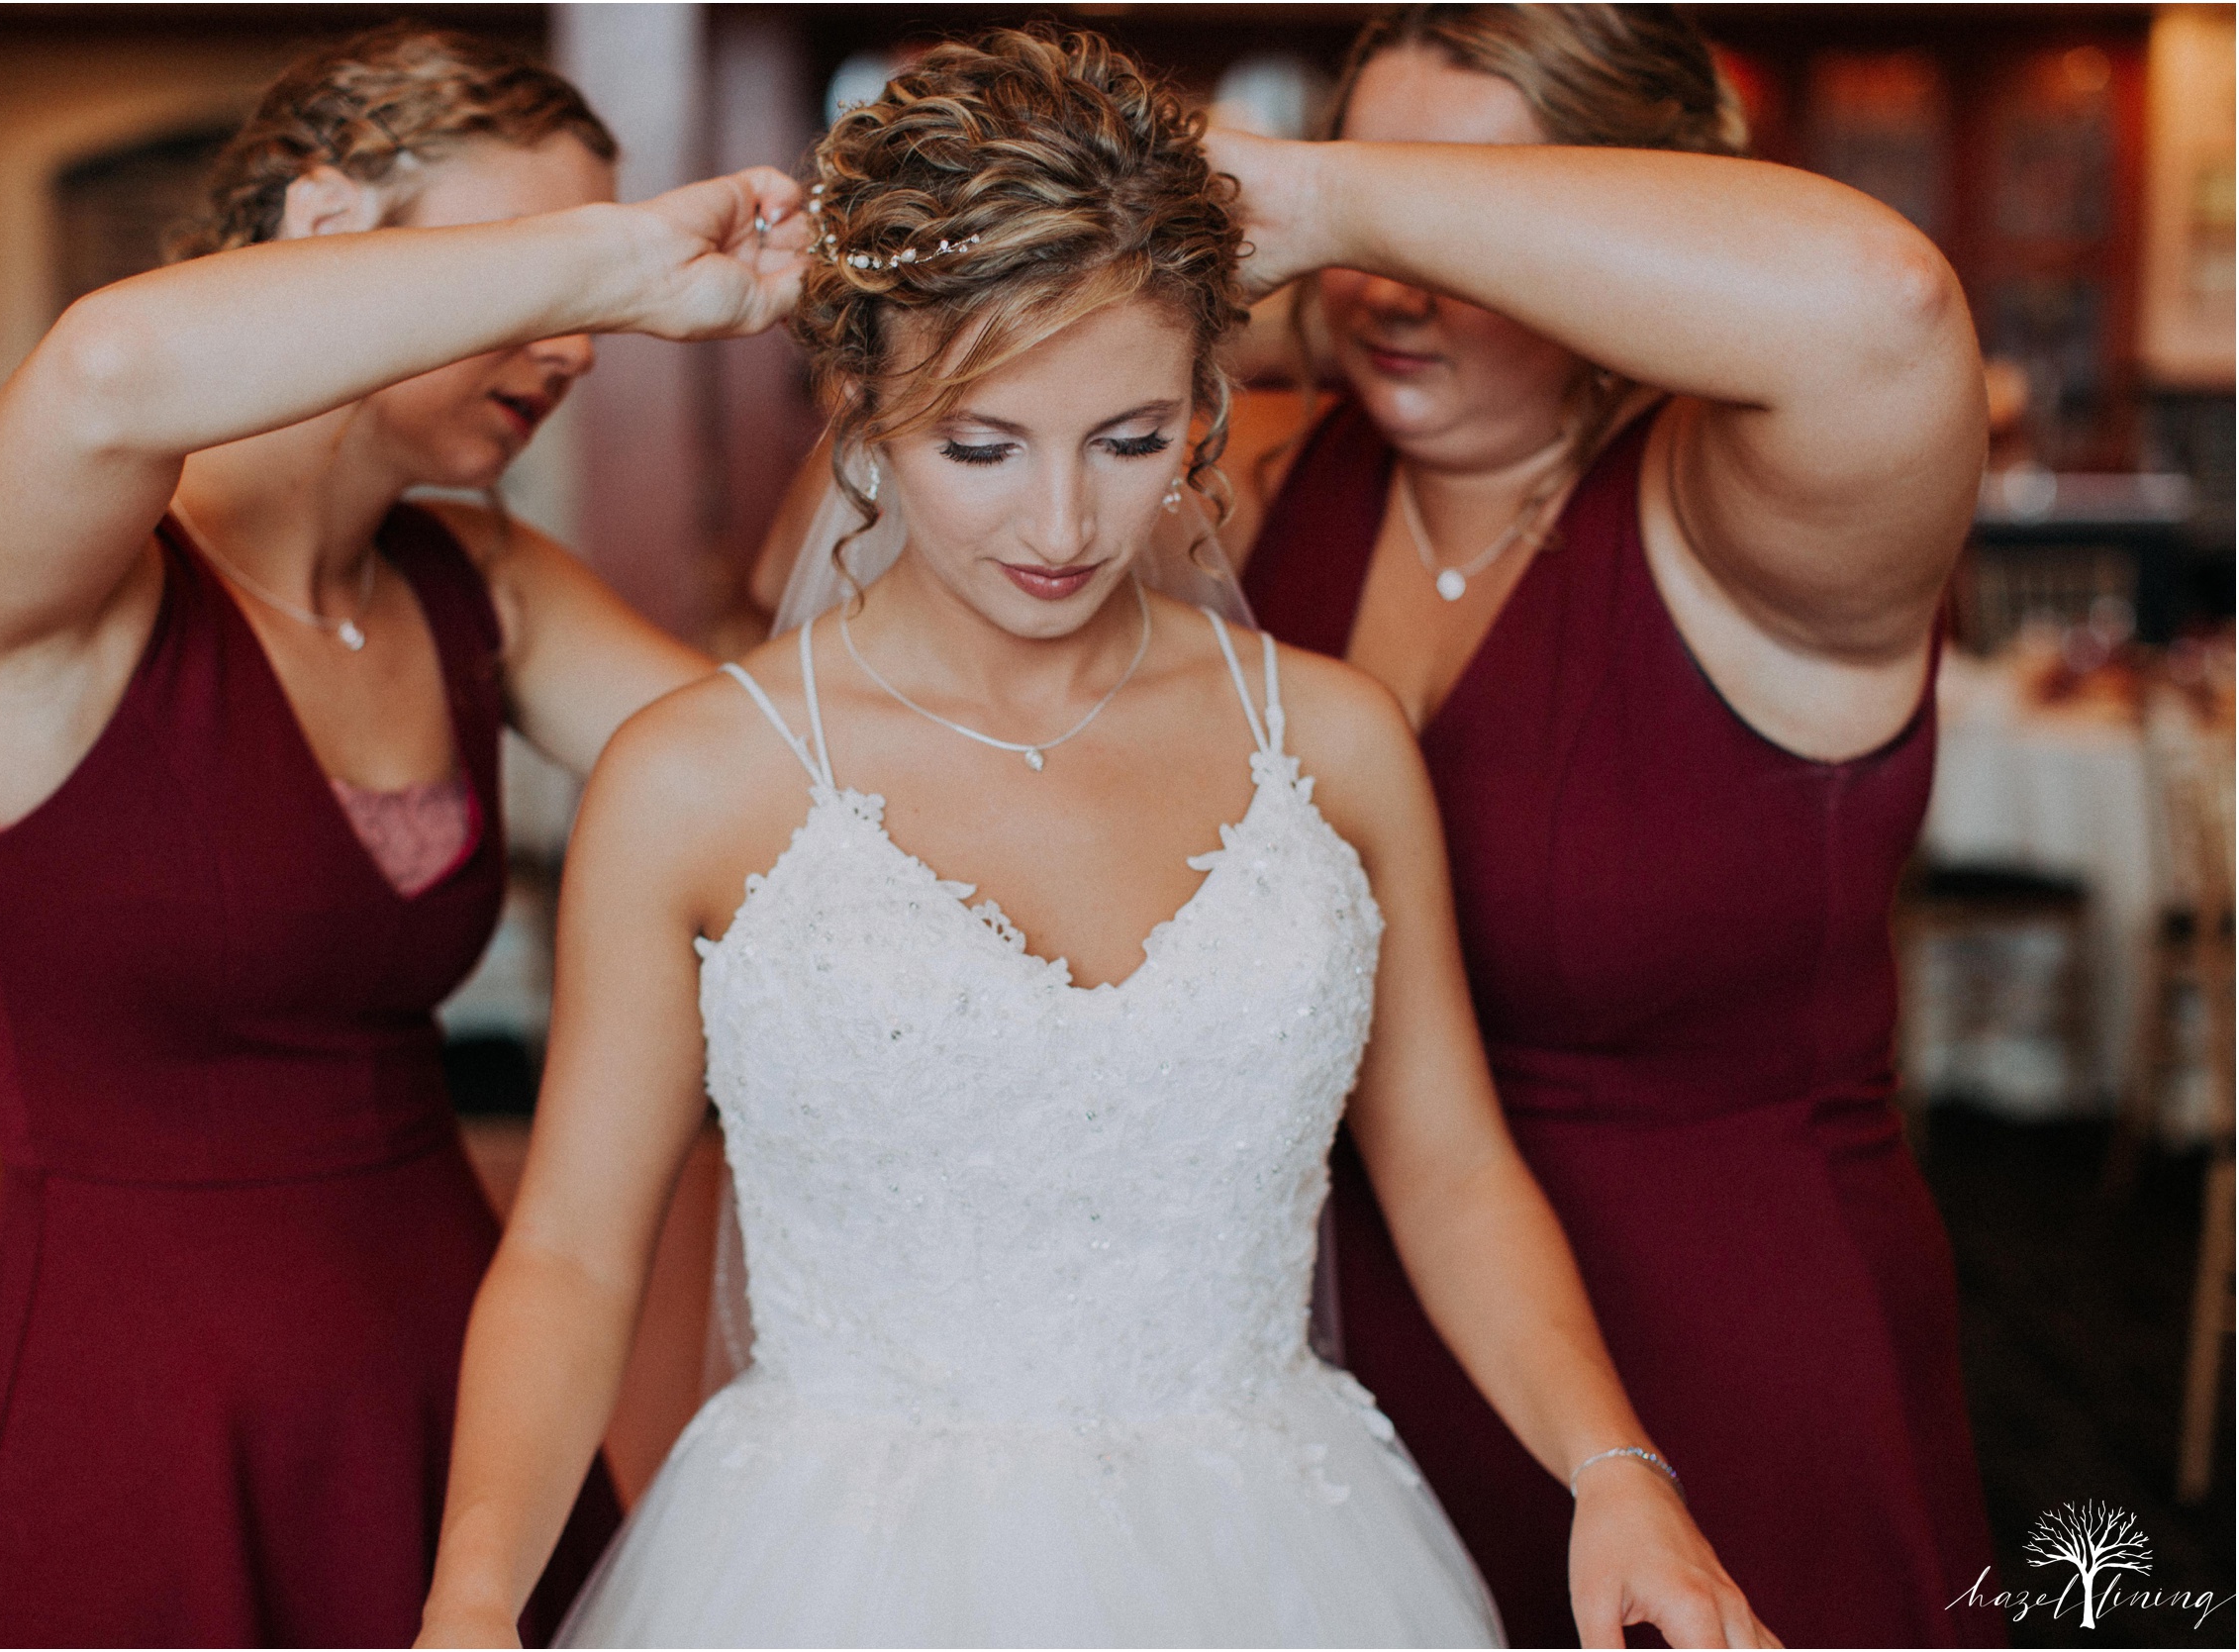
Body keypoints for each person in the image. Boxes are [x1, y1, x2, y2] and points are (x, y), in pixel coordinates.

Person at [417, 31, 1771, 1649]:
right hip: (829, 1572)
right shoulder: (697, 779)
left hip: (1286, 1559)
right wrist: (475, 1597)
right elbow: (570, 1248)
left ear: (1212, 403)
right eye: (980, 446)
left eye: (1131, 440)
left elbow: (1453, 1166)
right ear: (862, 396)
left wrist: (1617, 1470)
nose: (1060, 529)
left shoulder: (1332, 741)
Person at [0, 23, 806, 1646]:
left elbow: (797, 787)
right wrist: (608, 259)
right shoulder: (60, 598)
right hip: (142, 1423)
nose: (585, 338)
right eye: (519, 267)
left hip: (455, 1384)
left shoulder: (481, 586)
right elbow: (110, 372)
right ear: (323, 234)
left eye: (588, 292)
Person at [1208, 6, 2002, 1645]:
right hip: (1326, 1391)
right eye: (1366, 207)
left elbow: (1888, 305)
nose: (1387, 284)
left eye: (1453, 213)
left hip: (1724, 1382)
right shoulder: (1263, 479)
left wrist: (1332, 198)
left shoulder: (1748, 520)